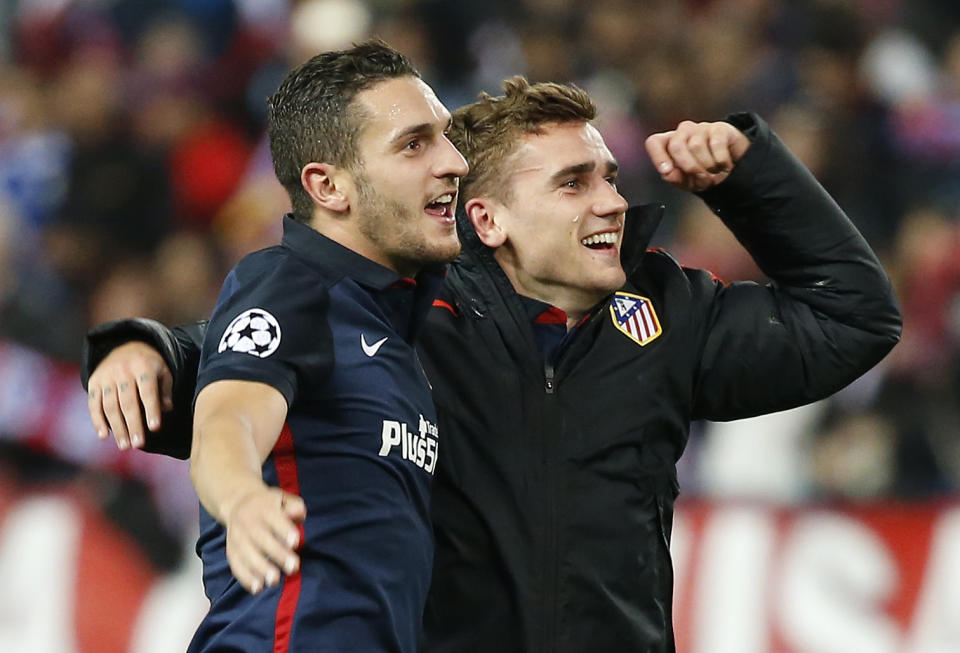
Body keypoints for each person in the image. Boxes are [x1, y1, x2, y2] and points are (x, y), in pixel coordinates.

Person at [84, 77, 901, 652]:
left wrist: (752, 180)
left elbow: (856, 318)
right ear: (489, 215)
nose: (613, 202)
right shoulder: (416, 310)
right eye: (575, 183)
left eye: (610, 178)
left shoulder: (673, 314)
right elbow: (255, 345)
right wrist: (148, 346)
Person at [107, 40, 468, 652]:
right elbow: (227, 419)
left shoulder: (397, 328)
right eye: (414, 143)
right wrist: (243, 498)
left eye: (445, 135)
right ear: (328, 187)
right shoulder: (290, 284)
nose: (455, 161)